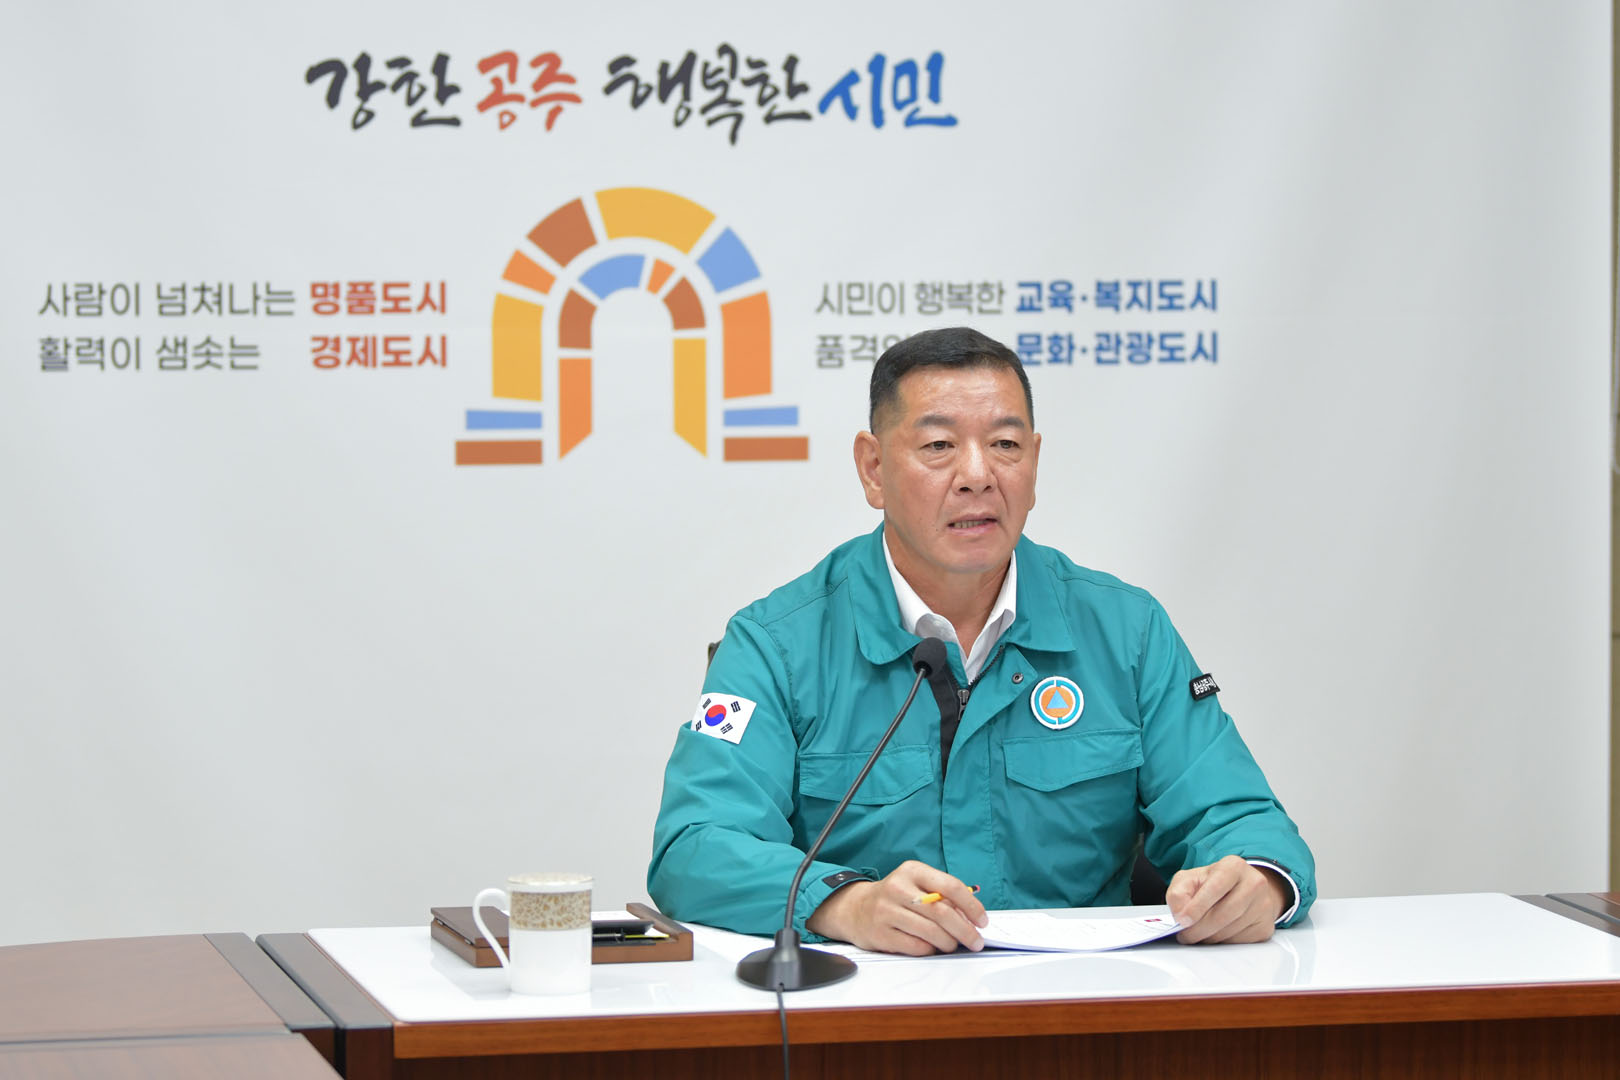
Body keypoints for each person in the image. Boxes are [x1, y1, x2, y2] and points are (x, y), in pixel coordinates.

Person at [648, 327, 1314, 955]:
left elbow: (1240, 815)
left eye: (1005, 445)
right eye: (939, 446)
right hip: (868, 1009)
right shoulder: (776, 645)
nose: (977, 474)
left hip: (1080, 1003)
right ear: (873, 469)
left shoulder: (1126, 631)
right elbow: (696, 846)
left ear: (1034, 462)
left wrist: (1258, 882)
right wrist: (845, 905)